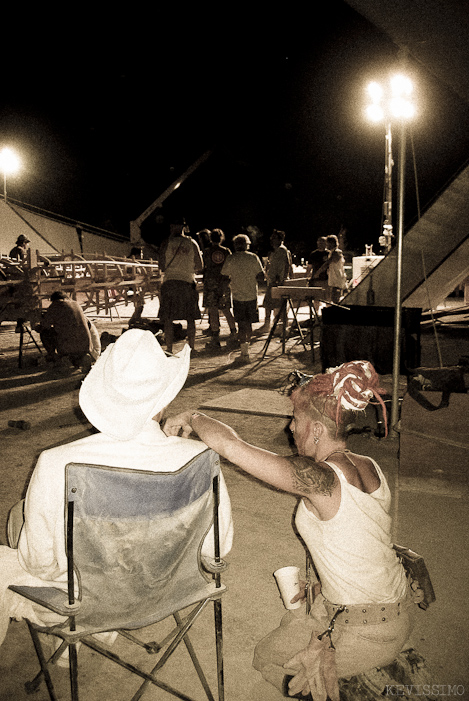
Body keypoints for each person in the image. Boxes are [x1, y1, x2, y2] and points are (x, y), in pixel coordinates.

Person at [163, 360, 415, 700]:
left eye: (296, 421)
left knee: (271, 665)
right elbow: (360, 535)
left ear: (316, 431)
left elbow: (234, 448)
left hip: (371, 629)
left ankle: (368, 683)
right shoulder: (367, 465)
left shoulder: (320, 480)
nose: (290, 428)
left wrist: (192, 416)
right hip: (382, 605)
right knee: (284, 636)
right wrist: (323, 585)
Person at [0, 329, 233, 653]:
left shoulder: (57, 463)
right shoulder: (199, 458)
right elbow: (217, 548)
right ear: (163, 397)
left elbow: (38, 564)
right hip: (170, 591)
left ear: (104, 394)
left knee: (15, 529)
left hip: (85, 603)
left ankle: (73, 640)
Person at [158, 219, 204, 353]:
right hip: (187, 282)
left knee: (168, 318)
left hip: (170, 282)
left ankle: (169, 349)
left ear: (171, 227)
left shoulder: (166, 243)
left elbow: (161, 266)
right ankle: (191, 348)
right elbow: (200, 265)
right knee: (190, 318)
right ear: (184, 227)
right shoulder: (192, 243)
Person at [221, 234, 264, 363]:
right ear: (247, 245)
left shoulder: (231, 258)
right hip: (251, 295)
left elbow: (224, 276)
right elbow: (261, 277)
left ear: (235, 245)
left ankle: (244, 352)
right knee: (249, 323)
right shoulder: (253, 257)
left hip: (237, 295)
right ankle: (247, 351)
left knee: (241, 323)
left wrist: (224, 292)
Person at [38, 290, 93, 373]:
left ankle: (56, 358)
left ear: (54, 299)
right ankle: (81, 357)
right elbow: (88, 324)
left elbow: (45, 326)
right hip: (85, 344)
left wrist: (36, 324)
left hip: (68, 344)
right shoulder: (76, 304)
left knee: (45, 333)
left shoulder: (56, 305)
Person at [202, 229, 237, 350]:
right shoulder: (226, 251)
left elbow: (203, 267)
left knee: (213, 311)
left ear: (211, 238)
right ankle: (234, 334)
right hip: (224, 282)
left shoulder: (207, 252)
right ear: (222, 238)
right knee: (226, 309)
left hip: (210, 283)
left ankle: (215, 339)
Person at [261, 230, 293, 331]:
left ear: (280, 239)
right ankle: (275, 325)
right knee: (271, 303)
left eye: (274, 238)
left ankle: (276, 326)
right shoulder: (276, 251)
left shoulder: (282, 250)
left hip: (277, 281)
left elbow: (287, 265)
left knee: (273, 304)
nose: (271, 240)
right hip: (274, 280)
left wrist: (282, 279)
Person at [321, 235, 347, 304]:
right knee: (333, 299)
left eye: (327, 243)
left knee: (336, 300)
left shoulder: (336, 252)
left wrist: (318, 273)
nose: (326, 245)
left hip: (337, 281)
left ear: (332, 243)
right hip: (333, 281)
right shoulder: (332, 252)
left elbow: (328, 263)